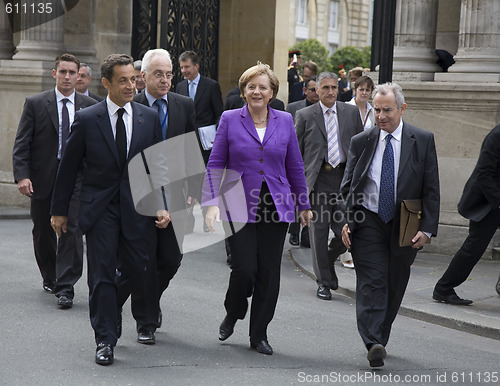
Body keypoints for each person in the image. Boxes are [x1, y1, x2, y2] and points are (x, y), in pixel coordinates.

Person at [50, 54, 165, 366]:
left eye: (133, 79)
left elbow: (155, 167)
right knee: (101, 273)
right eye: (123, 80)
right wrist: (59, 210)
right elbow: (69, 167)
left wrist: (163, 205)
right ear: (107, 83)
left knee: (137, 266)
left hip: (137, 206)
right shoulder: (88, 119)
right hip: (99, 208)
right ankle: (105, 339)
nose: (131, 85)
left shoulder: (147, 118)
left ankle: (109, 307)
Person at [203, 62, 312, 355]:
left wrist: (303, 204)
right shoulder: (229, 119)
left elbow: (295, 165)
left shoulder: (285, 120)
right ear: (243, 91)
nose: (257, 92)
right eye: (251, 86)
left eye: (263, 87)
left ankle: (259, 333)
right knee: (244, 269)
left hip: (276, 206)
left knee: (268, 273)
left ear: (272, 92)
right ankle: (234, 309)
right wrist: (211, 203)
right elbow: (215, 163)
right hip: (238, 202)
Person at [340, 82, 440, 367]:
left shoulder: (422, 140)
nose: (381, 115)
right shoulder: (362, 141)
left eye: (387, 110)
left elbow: (431, 187)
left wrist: (428, 228)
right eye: (377, 109)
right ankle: (372, 341)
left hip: (406, 224)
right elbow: (348, 186)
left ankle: (381, 336)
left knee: (395, 283)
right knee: (372, 282)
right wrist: (347, 220)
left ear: (402, 109)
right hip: (368, 220)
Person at [12, 53, 96, 308]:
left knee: (72, 228)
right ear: (54, 74)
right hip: (43, 176)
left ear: (79, 75)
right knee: (43, 230)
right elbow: (22, 142)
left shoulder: (90, 105)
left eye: (73, 73)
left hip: (77, 178)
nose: (68, 77)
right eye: (64, 72)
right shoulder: (36, 103)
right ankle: (50, 275)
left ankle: (66, 285)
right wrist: (23, 175)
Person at [131, 48, 196, 344]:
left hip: (176, 192)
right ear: (143, 77)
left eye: (169, 74)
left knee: (171, 258)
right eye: (159, 74)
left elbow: (191, 147)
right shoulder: (132, 104)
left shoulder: (184, 105)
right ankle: (145, 320)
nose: (166, 79)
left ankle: (150, 299)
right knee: (145, 258)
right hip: (141, 192)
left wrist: (196, 190)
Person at [295, 72, 363, 300]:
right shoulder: (305, 115)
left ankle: (329, 263)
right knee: (319, 233)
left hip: (344, 181)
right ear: (317, 90)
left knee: (346, 233)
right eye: (325, 88)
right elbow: (295, 153)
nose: (331, 92)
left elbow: (360, 146)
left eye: (334, 87)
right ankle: (323, 282)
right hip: (319, 183)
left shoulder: (351, 112)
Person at [433, 125, 500, 305]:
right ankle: (443, 288)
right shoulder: (496, 135)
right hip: (488, 202)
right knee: (474, 248)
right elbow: (484, 174)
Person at [176, 50, 223, 233]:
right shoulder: (179, 87)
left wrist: (216, 135)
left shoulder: (211, 86)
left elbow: (219, 112)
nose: (184, 71)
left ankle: (206, 217)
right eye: (181, 68)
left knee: (205, 180)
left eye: (187, 67)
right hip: (186, 142)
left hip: (206, 143)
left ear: (196, 66)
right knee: (187, 179)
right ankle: (187, 221)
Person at [286, 75, 319, 248]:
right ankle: (294, 231)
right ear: (305, 91)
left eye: (317, 89)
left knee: (310, 199)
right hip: (296, 157)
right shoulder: (293, 108)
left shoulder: (323, 110)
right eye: (312, 89)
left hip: (313, 160)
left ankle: (307, 233)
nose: (316, 93)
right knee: (294, 196)